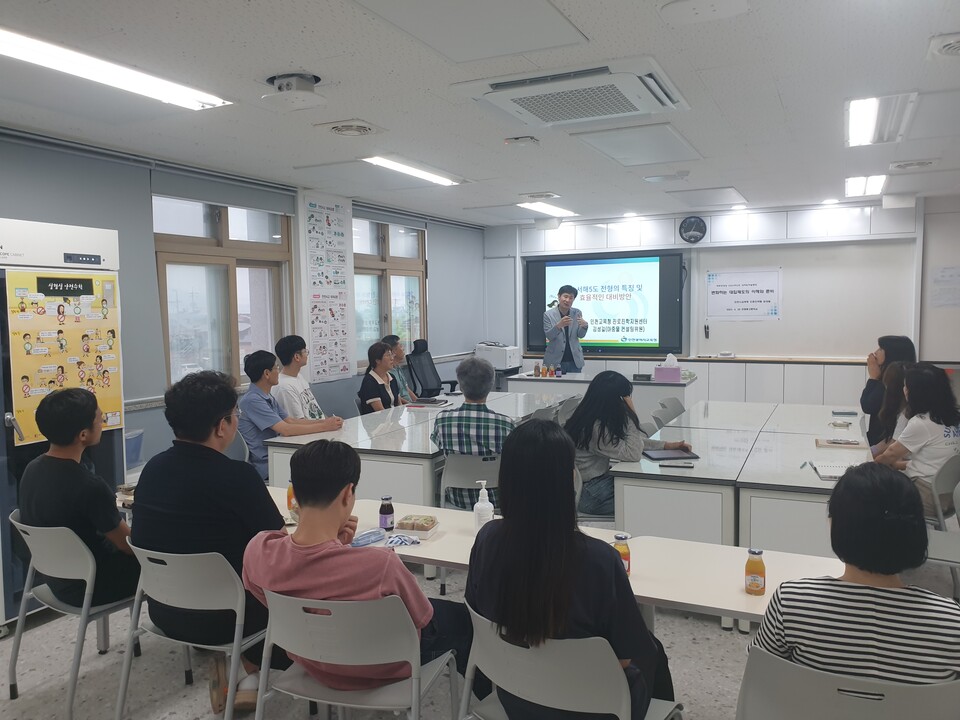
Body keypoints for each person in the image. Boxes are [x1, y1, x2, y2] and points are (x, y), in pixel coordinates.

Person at [243, 439, 487, 695]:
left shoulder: (259, 550)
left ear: (294, 490)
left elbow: (275, 596)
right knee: (467, 621)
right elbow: (422, 617)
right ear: (348, 493)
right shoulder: (380, 564)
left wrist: (338, 546)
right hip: (383, 666)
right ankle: (487, 700)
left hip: (312, 661)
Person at [466, 420, 674, 719]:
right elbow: (628, 657)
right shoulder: (600, 560)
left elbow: (478, 616)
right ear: (568, 479)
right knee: (652, 651)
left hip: (515, 698)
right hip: (596, 708)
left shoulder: (487, 540)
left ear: (506, 478)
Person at [131, 371, 291, 714]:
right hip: (232, 618)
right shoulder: (237, 477)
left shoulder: (152, 470)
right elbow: (279, 547)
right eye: (236, 416)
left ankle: (240, 668)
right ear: (222, 426)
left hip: (166, 611)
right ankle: (248, 667)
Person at [752, 462, 960, 683]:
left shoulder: (792, 601)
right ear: (917, 532)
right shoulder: (951, 622)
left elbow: (759, 677)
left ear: (837, 526)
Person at [19, 388, 139, 607]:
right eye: (98, 418)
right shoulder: (89, 486)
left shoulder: (32, 469)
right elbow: (127, 545)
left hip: (57, 580)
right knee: (162, 562)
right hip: (91, 586)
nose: (102, 419)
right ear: (83, 434)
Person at [561, 371, 691, 516]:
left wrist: (666, 445)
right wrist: (631, 413)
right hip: (593, 495)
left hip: (595, 486)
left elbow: (628, 443)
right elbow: (633, 453)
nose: (628, 400)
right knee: (647, 493)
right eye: (626, 397)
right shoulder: (595, 428)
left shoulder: (592, 417)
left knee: (648, 489)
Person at [238, 350, 343, 480]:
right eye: (276, 367)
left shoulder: (266, 395)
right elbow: (286, 430)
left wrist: (325, 422)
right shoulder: (252, 400)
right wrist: (325, 427)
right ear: (266, 373)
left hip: (278, 453)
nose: (279, 371)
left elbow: (290, 421)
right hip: (268, 462)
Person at [875, 362, 960, 517]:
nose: (904, 390)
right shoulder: (954, 419)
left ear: (917, 393)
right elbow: (934, 462)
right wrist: (896, 465)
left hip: (925, 497)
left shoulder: (921, 423)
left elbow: (888, 456)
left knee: (870, 491)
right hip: (949, 496)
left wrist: (865, 468)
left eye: (906, 386)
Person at [431, 357, 515, 510]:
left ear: (461, 386)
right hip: (495, 500)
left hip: (457, 499)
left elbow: (438, 444)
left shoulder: (443, 420)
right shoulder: (505, 424)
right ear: (490, 386)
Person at [861, 335, 916, 445]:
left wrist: (873, 378)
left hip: (884, 442)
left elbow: (868, 406)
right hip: (878, 440)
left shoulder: (898, 380)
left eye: (881, 349)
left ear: (892, 353)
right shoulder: (886, 374)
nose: (875, 352)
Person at [272, 335, 338, 421]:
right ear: (297, 357)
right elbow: (298, 424)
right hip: (311, 432)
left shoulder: (299, 376)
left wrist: (330, 420)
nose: (307, 354)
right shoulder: (284, 387)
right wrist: (327, 425)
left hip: (321, 428)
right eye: (305, 351)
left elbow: (318, 413)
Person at [542, 285, 589, 375]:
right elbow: (549, 336)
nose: (567, 300)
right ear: (559, 297)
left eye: (571, 298)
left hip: (574, 360)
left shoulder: (577, 312)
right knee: (555, 388)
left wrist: (584, 326)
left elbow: (580, 335)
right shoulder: (548, 315)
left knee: (575, 388)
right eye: (565, 296)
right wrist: (559, 326)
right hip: (555, 361)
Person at [870, 361, 908, 457]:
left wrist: (870, 454)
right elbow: (889, 440)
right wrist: (870, 450)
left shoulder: (906, 414)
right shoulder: (901, 409)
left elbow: (892, 445)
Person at [358, 341, 404, 414]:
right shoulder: (370, 382)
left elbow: (399, 405)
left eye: (391, 354)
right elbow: (381, 412)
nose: (392, 358)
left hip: (394, 421)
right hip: (378, 423)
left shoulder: (392, 377)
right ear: (378, 361)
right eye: (388, 355)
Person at [381, 334, 418, 403]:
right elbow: (394, 397)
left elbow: (406, 389)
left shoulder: (398, 368)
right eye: (401, 346)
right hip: (402, 407)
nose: (403, 348)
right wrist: (410, 405)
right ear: (393, 351)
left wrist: (419, 402)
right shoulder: (388, 373)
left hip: (410, 405)